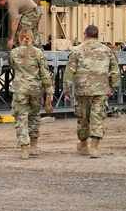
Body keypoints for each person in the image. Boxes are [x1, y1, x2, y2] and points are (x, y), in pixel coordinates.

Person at [62, 24, 119, 158]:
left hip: (82, 90)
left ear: (85, 35)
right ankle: (94, 148)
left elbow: (69, 72)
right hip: (101, 90)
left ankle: (83, 144)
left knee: (83, 118)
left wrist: (66, 90)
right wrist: (112, 87)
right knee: (97, 118)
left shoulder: (77, 51)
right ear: (97, 36)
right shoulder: (107, 51)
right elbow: (115, 71)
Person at [8, 26, 54, 159]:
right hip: (36, 89)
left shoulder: (14, 52)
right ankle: (34, 146)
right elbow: (44, 72)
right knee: (34, 116)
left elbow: (12, 65)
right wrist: (49, 90)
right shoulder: (38, 53)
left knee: (21, 118)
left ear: (19, 38)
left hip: (20, 90)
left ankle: (24, 149)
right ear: (32, 38)